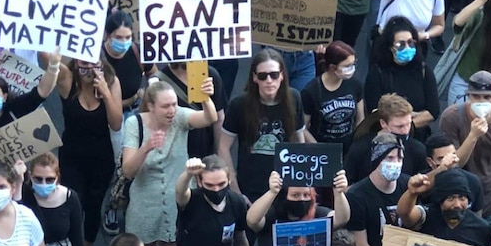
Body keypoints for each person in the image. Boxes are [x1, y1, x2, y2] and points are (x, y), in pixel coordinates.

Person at [122, 79, 218, 246]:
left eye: (174, 104)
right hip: (145, 202)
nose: (172, 110)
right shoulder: (135, 124)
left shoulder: (179, 117)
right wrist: (146, 147)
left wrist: (205, 97)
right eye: (165, 106)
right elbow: (128, 171)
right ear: (151, 106)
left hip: (176, 199)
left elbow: (209, 118)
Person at [57, 56, 123, 246]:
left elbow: (116, 123)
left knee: (94, 206)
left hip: (101, 157)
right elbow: (47, 58)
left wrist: (105, 91)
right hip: (72, 157)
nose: (88, 70)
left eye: (93, 65)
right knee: (74, 202)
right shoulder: (68, 80)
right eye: (83, 64)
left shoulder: (111, 81)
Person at [0, 57, 61, 193]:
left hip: (16, 177)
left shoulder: (14, 109)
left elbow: (42, 91)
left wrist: (53, 66)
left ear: (4, 97)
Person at [220, 49, 305, 204]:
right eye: (262, 75)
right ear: (254, 77)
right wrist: (236, 191)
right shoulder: (239, 105)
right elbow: (223, 148)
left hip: (286, 187)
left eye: (273, 74)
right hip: (250, 188)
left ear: (282, 75)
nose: (269, 80)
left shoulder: (294, 98)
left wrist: (300, 185)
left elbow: (300, 143)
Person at [439, 70, 491, 232]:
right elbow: (454, 163)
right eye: (476, 97)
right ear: (468, 96)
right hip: (460, 196)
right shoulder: (452, 117)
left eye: (487, 97)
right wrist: (473, 136)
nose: (482, 102)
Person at [247, 169, 350, 246]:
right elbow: (252, 220)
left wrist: (338, 192)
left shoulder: (318, 214)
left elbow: (342, 218)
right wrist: (272, 192)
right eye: (295, 195)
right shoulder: (271, 216)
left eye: (306, 195)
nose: (301, 199)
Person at [364, 18, 439, 143]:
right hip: (386, 139)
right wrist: (404, 123)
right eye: (401, 44)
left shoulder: (423, 70)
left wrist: (404, 126)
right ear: (390, 47)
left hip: (418, 138)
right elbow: (374, 113)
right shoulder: (377, 73)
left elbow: (433, 112)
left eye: (411, 42)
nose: (407, 47)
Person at [397, 169, 491, 246]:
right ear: (440, 200)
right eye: (450, 198)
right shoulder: (426, 216)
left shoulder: (482, 230)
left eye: (462, 198)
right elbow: (405, 214)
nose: (457, 205)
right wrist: (412, 193)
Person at [265, 0, 323, 92]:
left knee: (300, 100)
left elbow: (320, 24)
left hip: (304, 58)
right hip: (277, 55)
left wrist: (319, 42)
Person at [345, 94, 427, 185]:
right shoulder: (360, 148)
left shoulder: (417, 150)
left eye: (408, 124)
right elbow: (348, 184)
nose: (405, 131)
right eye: (399, 126)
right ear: (383, 123)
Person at [302, 41, 365, 155]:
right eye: (347, 66)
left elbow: (360, 119)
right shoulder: (311, 91)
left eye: (353, 64)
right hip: (322, 149)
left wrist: (356, 145)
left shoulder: (355, 85)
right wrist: (319, 149)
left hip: (348, 149)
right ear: (332, 67)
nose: (352, 68)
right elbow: (303, 128)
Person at [155, 61, 227, 160]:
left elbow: (219, 119)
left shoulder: (210, 75)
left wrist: (218, 155)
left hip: (204, 151)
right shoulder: (161, 81)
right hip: (174, 154)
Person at [102, 11, 156, 118]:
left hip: (135, 110)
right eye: (118, 37)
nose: (123, 42)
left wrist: (149, 91)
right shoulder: (98, 56)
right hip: (105, 113)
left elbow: (154, 73)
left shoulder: (138, 51)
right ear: (108, 35)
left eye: (128, 37)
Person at [420, 134, 484, 215]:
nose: (449, 162)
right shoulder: (422, 182)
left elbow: (477, 216)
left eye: (452, 155)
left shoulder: (472, 181)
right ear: (430, 161)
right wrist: (442, 168)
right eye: (442, 158)